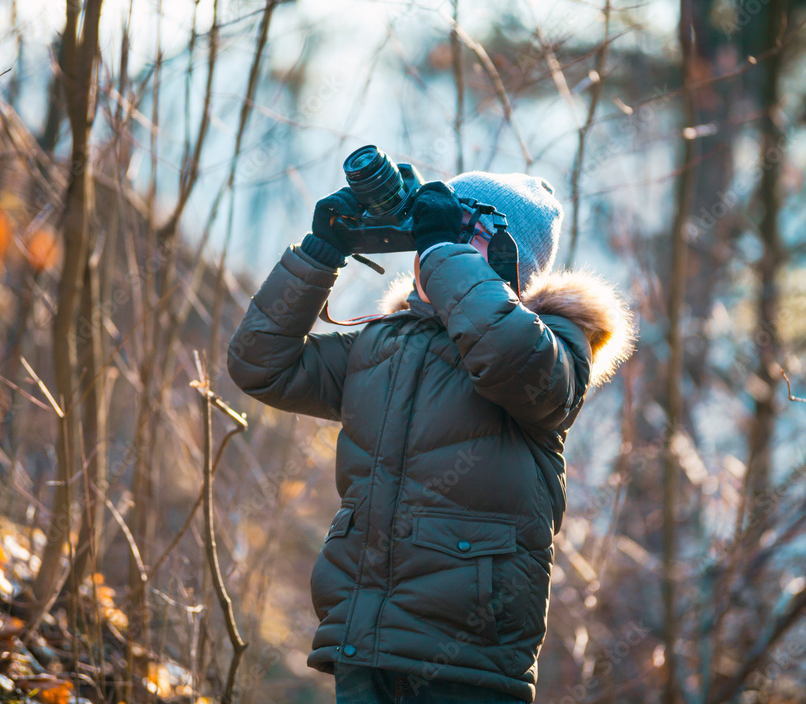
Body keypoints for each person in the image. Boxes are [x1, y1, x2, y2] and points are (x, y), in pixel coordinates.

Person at [227, 170, 635, 703]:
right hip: (362, 641)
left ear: (516, 258)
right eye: (433, 228)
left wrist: (443, 248)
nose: (434, 244)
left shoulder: (554, 342)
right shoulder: (383, 345)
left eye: (469, 231)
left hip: (469, 656)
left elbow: (512, 357)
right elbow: (261, 365)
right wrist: (320, 253)